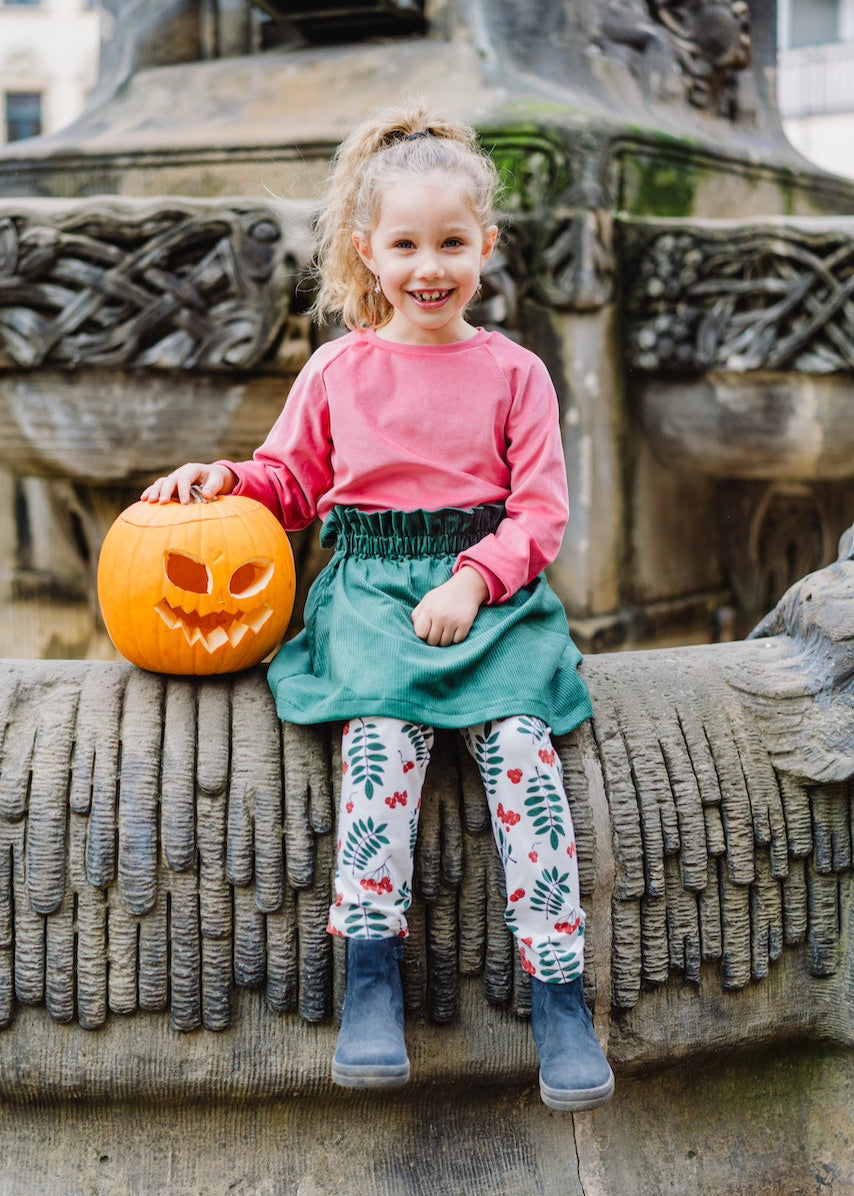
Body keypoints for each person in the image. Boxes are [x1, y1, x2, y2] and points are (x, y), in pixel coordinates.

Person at [142, 102, 614, 1112]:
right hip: (366, 595)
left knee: (523, 749)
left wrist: (473, 579)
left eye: (451, 242)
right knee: (378, 745)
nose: (428, 265)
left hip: (484, 596)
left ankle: (558, 985)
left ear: (486, 246)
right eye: (405, 244)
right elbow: (288, 482)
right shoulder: (338, 369)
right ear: (369, 250)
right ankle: (367, 972)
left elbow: (538, 512)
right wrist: (216, 479)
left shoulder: (513, 374)